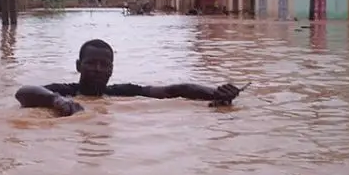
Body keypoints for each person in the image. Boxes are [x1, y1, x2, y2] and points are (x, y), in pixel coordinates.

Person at [15, 39, 244, 116]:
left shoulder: (120, 92)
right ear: (78, 66)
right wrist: (57, 101)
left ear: (111, 69)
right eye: (91, 63)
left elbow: (174, 90)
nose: (97, 69)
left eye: (104, 65)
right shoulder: (66, 92)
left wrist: (215, 94)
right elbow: (24, 92)